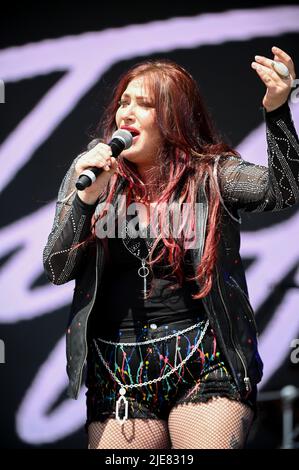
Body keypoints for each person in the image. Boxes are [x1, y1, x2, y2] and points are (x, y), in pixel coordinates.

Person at [43, 46, 298, 449]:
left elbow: (285, 191)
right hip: (119, 370)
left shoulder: (212, 175)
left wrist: (278, 109)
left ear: (173, 120)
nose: (126, 112)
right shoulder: (91, 174)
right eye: (124, 101)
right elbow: (57, 269)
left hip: (205, 360)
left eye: (143, 105)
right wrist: (86, 201)